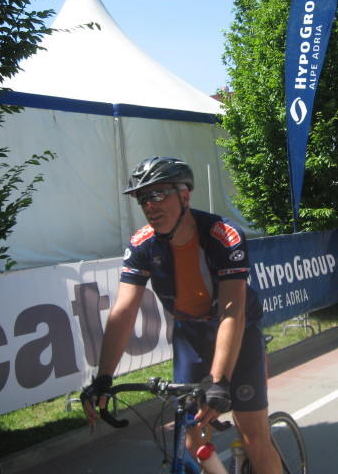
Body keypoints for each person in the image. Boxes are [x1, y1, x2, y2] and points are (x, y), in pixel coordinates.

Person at [80, 157, 281, 473]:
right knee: (192, 441)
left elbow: (232, 312)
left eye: (158, 194)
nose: (149, 205)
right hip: (191, 334)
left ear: (184, 196)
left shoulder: (223, 235)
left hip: (237, 333)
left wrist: (219, 381)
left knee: (254, 438)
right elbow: (123, 312)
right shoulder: (142, 245)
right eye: (142, 198)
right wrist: (103, 377)